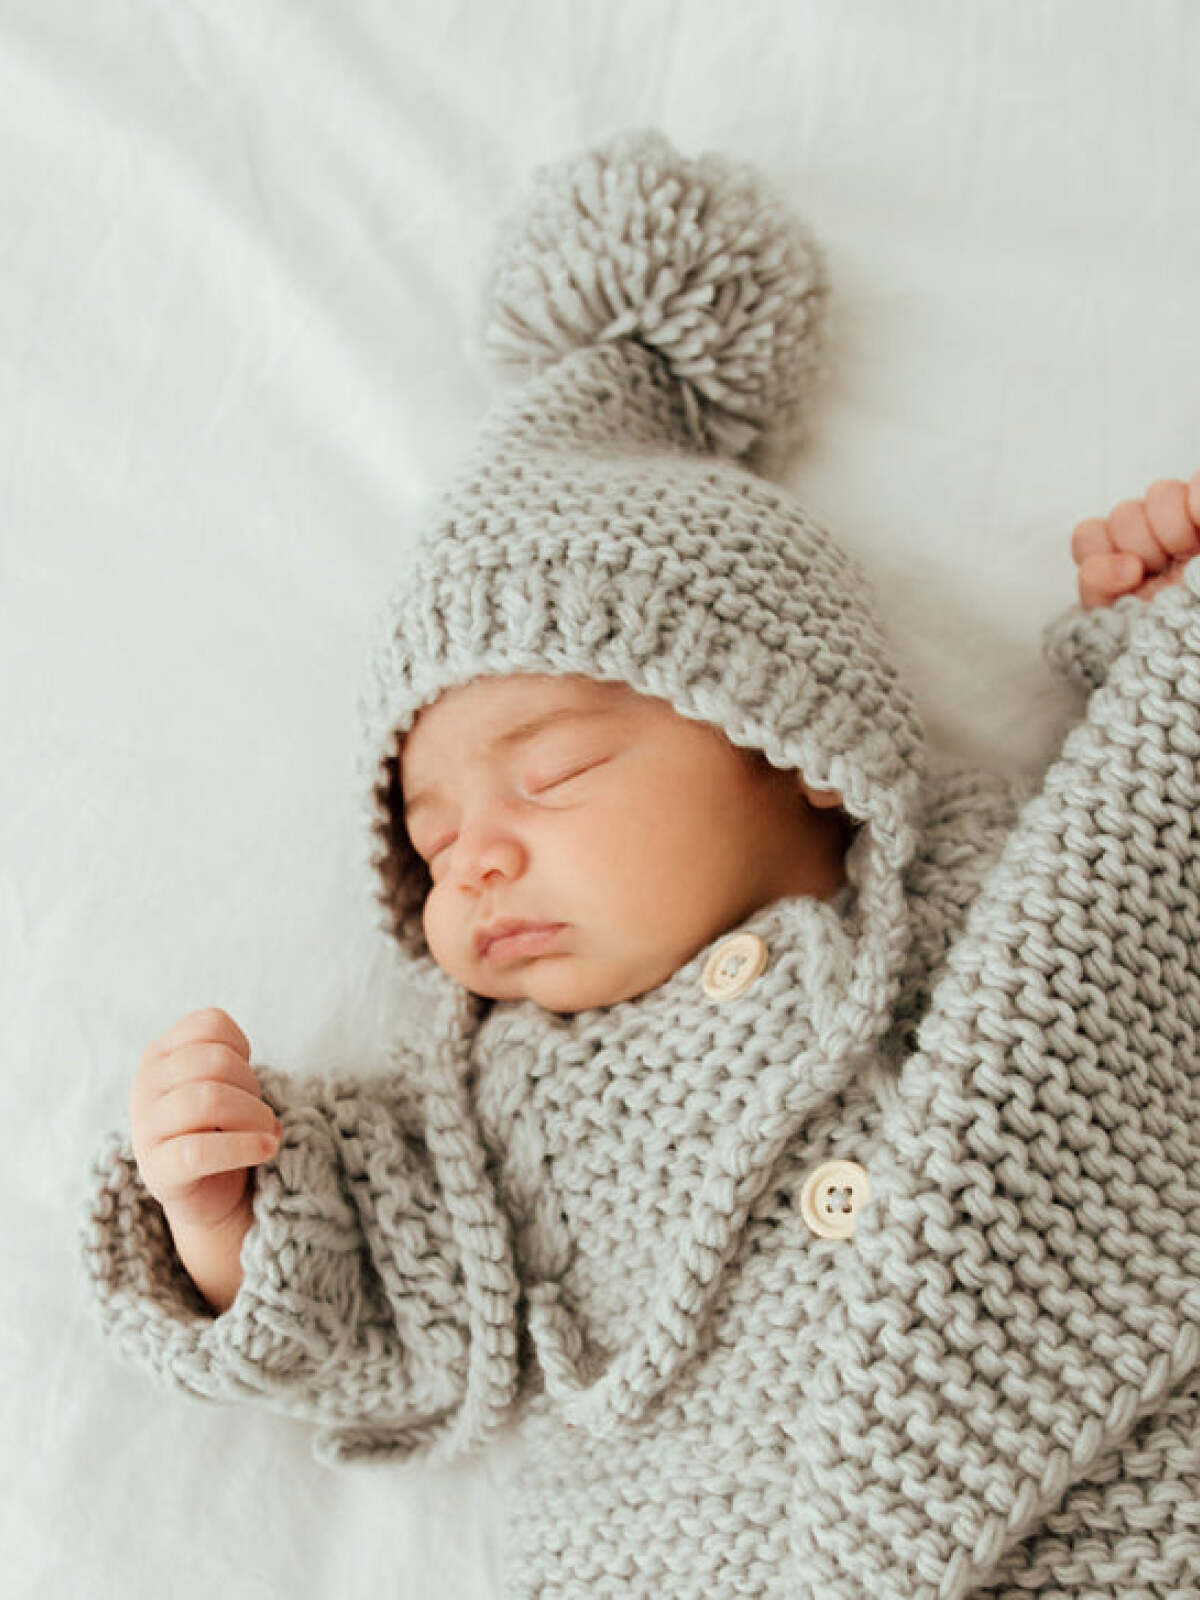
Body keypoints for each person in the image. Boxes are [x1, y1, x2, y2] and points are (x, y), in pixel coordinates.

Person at [82, 130, 1200, 1598]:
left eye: (550, 774)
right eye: (427, 844)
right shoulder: (489, 1106)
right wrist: (221, 1216)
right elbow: (362, 1309)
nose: (473, 859)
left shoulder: (986, 886)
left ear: (788, 740)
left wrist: (1154, 646)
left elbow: (1144, 915)